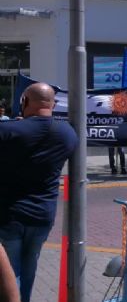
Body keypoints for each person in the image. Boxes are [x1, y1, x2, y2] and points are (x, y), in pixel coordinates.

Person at [0, 82, 77, 302]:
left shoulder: (8, 130)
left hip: (9, 214)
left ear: (25, 102)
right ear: (52, 104)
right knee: (29, 269)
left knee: (8, 273)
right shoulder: (67, 133)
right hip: (43, 214)